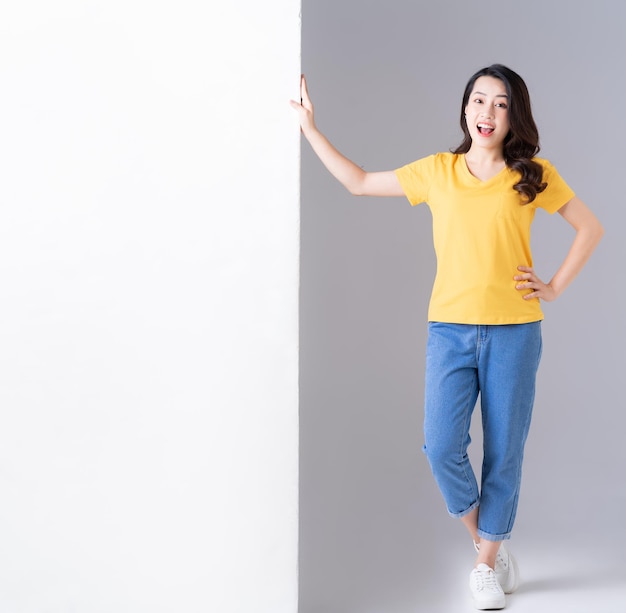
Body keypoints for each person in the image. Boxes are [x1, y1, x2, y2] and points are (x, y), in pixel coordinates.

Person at [290, 64, 603, 610]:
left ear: (513, 117)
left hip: (515, 332)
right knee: (441, 447)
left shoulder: (533, 175)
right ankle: (492, 543)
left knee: (504, 453)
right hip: (451, 332)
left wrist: (551, 286)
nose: (488, 112)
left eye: (501, 104)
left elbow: (591, 227)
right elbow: (359, 183)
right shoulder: (438, 171)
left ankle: (484, 566)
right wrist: (311, 128)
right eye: (479, 101)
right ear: (465, 110)